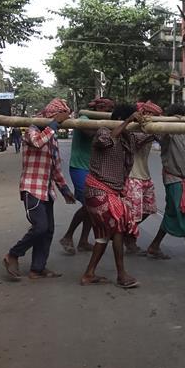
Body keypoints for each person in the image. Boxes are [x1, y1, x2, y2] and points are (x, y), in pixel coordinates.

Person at [3, 99, 75, 280]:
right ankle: (13, 254)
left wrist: (65, 190)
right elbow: (37, 143)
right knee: (40, 227)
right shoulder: (32, 130)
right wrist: (54, 124)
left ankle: (37, 268)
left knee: (48, 230)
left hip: (47, 190)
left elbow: (56, 168)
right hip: (31, 188)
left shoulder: (53, 138)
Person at [80, 103, 146, 288]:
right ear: (121, 119)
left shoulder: (128, 138)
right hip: (98, 190)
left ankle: (89, 273)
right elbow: (106, 141)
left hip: (111, 192)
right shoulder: (102, 131)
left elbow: (150, 136)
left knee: (104, 235)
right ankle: (121, 275)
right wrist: (128, 121)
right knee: (117, 228)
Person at [146, 104, 185, 263]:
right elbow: (162, 134)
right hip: (174, 179)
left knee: (173, 213)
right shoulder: (168, 131)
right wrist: (178, 121)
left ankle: (154, 246)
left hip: (184, 178)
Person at [59, 96, 114, 255]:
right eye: (106, 110)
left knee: (92, 207)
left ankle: (83, 240)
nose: (107, 113)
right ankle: (68, 236)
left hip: (93, 168)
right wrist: (108, 126)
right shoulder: (84, 118)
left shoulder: (102, 121)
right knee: (90, 205)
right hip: (79, 167)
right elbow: (90, 133)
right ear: (99, 108)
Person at [123, 101, 160, 254]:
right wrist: (151, 133)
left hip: (145, 175)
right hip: (132, 176)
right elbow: (136, 142)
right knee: (134, 212)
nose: (152, 117)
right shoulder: (133, 128)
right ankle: (129, 238)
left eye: (156, 116)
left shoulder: (153, 129)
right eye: (150, 114)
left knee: (149, 209)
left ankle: (127, 234)